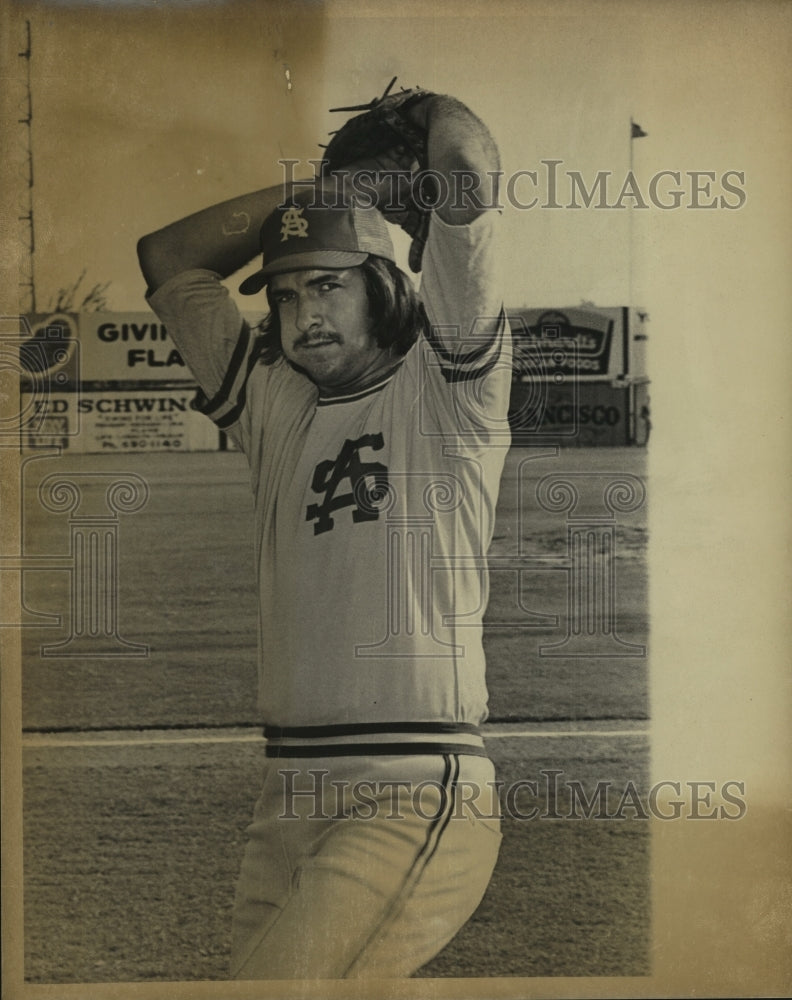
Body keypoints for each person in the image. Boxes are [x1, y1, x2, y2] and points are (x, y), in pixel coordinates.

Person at [137, 92, 511, 979]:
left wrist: (423, 119)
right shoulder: (275, 406)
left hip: (411, 787)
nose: (303, 311)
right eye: (285, 293)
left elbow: (463, 169)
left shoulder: (449, 393)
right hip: (287, 797)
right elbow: (169, 260)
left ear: (383, 284)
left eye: (329, 285)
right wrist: (316, 197)